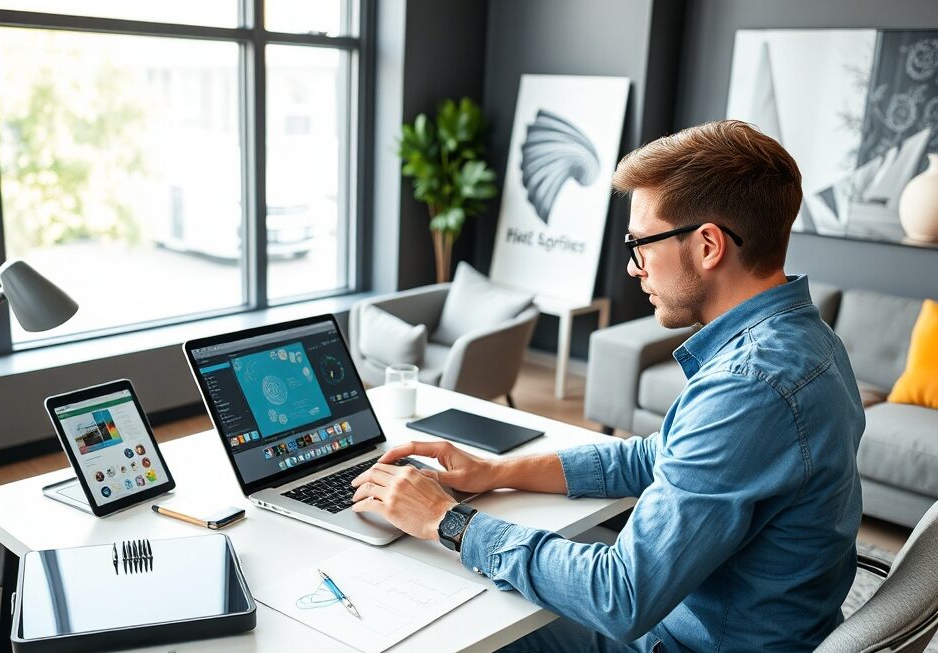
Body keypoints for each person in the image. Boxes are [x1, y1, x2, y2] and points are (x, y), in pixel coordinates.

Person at [350, 120, 865, 652]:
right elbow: (654, 458)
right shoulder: (807, 339)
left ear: (709, 245)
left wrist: (448, 521)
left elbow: (620, 596)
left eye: (641, 243)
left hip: (693, 641)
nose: (632, 266)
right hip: (745, 622)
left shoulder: (748, 388)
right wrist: (496, 471)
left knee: (456, 623)